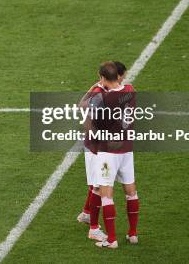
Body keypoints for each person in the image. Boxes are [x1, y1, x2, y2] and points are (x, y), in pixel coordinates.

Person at [87, 62, 140, 249]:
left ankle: (111, 239)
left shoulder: (103, 99)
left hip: (108, 153)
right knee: (131, 191)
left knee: (106, 194)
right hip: (126, 149)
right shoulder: (130, 89)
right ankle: (132, 234)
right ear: (118, 76)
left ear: (102, 78)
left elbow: (91, 119)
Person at [77, 61, 128, 239]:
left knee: (95, 184)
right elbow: (83, 110)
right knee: (98, 186)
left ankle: (86, 214)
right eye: (122, 76)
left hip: (99, 145)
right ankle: (94, 229)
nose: (123, 80)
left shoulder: (109, 90)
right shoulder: (100, 93)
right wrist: (96, 135)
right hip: (96, 147)